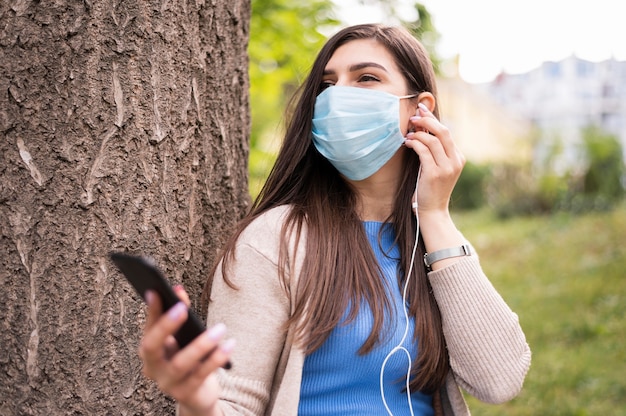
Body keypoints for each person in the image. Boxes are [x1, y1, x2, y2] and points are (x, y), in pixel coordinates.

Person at [138, 23, 531, 416]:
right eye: (328, 84)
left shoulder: (431, 241)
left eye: (366, 78)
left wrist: (434, 213)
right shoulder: (274, 240)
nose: (339, 94)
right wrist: (196, 402)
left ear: (418, 109)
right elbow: (230, 403)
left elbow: (499, 381)